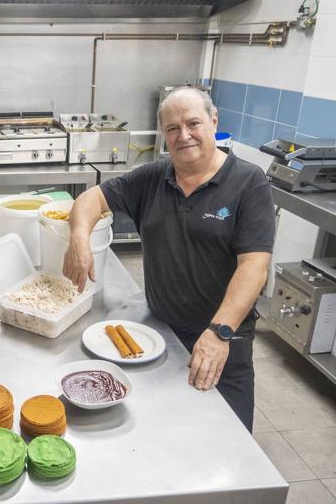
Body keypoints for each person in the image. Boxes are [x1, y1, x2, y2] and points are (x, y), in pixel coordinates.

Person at [63, 86, 274, 432]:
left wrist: (219, 333)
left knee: (228, 443)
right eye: (173, 128)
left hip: (223, 340)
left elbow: (254, 266)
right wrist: (79, 239)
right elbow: (90, 199)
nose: (184, 135)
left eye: (193, 123)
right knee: (162, 436)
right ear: (164, 134)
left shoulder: (248, 183)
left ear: (213, 121)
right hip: (159, 334)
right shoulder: (152, 177)